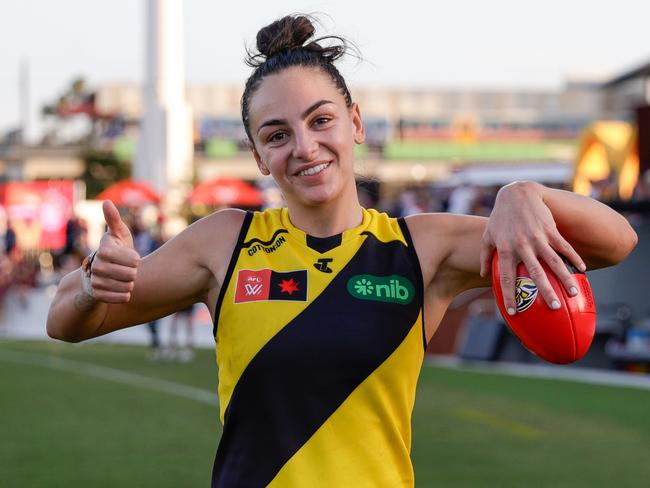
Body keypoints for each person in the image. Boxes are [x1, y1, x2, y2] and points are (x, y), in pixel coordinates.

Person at [46, 15, 638, 488]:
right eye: (277, 134)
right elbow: (67, 323)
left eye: (320, 119)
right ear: (258, 156)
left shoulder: (419, 248)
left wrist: (522, 195)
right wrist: (94, 277)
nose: (304, 147)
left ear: (354, 122)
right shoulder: (227, 241)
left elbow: (617, 240)